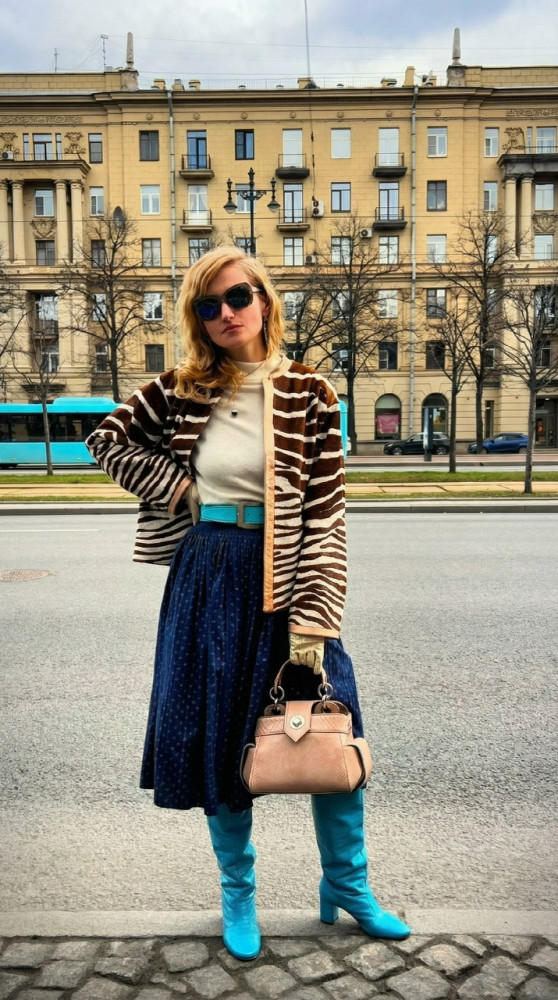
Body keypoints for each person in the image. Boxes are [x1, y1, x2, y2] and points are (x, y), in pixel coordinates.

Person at [86, 245, 410, 960]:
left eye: (237, 297)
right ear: (197, 320)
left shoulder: (311, 393)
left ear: (264, 300)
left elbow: (326, 514)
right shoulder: (181, 389)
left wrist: (314, 619)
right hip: (208, 573)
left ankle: (347, 885)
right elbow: (106, 440)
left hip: (289, 571)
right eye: (209, 306)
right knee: (221, 738)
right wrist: (180, 489)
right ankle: (238, 893)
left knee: (331, 724)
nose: (226, 314)